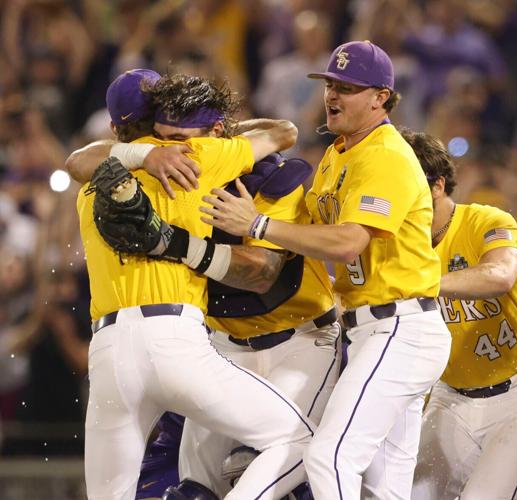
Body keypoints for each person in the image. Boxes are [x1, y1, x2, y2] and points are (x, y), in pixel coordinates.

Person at [200, 40, 452, 499]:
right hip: (371, 328)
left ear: (381, 97)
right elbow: (312, 232)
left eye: (349, 87)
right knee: (383, 487)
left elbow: (348, 242)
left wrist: (256, 223)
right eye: (330, 84)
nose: (333, 95)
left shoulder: (385, 155)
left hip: (402, 328)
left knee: (328, 457)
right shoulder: (341, 152)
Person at [71, 69, 315, 500]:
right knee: (302, 440)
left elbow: (77, 160)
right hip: (174, 340)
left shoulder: (91, 181)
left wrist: (138, 153)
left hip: (107, 353)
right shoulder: (198, 154)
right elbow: (283, 133)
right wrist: (216, 134)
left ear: (114, 127)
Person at [401, 129, 517, 500]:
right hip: (454, 399)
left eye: (402, 183)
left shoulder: (484, 219)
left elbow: (501, 275)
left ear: (436, 186)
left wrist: (420, 281)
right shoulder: (397, 244)